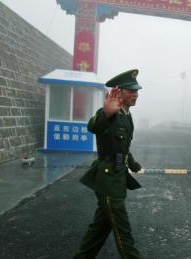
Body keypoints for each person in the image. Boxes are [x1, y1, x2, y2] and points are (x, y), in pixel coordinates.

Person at [74, 69, 144, 259]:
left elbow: (122, 145)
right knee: (123, 231)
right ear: (119, 92)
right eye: (131, 91)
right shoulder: (109, 113)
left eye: (137, 90)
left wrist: (132, 162)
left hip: (118, 177)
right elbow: (93, 126)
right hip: (107, 179)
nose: (136, 94)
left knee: (100, 227)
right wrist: (106, 113)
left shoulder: (126, 115)